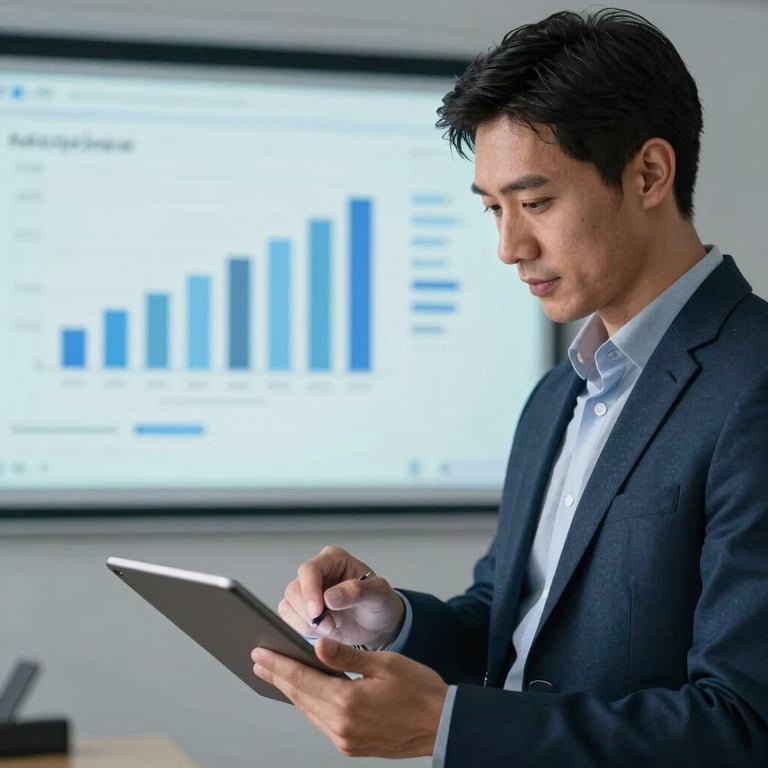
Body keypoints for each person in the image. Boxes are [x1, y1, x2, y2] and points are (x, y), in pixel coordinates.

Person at [251, 8, 768, 766]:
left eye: (536, 202)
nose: (508, 246)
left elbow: (743, 725)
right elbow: (510, 628)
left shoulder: (753, 384)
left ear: (650, 173)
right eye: (493, 209)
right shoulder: (558, 397)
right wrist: (387, 622)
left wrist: (450, 728)